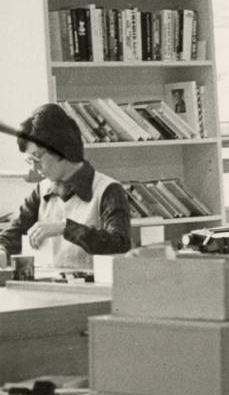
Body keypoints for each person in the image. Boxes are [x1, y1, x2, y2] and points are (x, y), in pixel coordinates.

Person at [1, 104, 132, 270]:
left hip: (95, 293)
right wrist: (1, 248)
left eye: (36, 158)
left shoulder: (108, 190)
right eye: (30, 160)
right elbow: (14, 232)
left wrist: (65, 227)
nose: (34, 169)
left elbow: (120, 243)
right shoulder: (42, 189)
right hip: (49, 290)